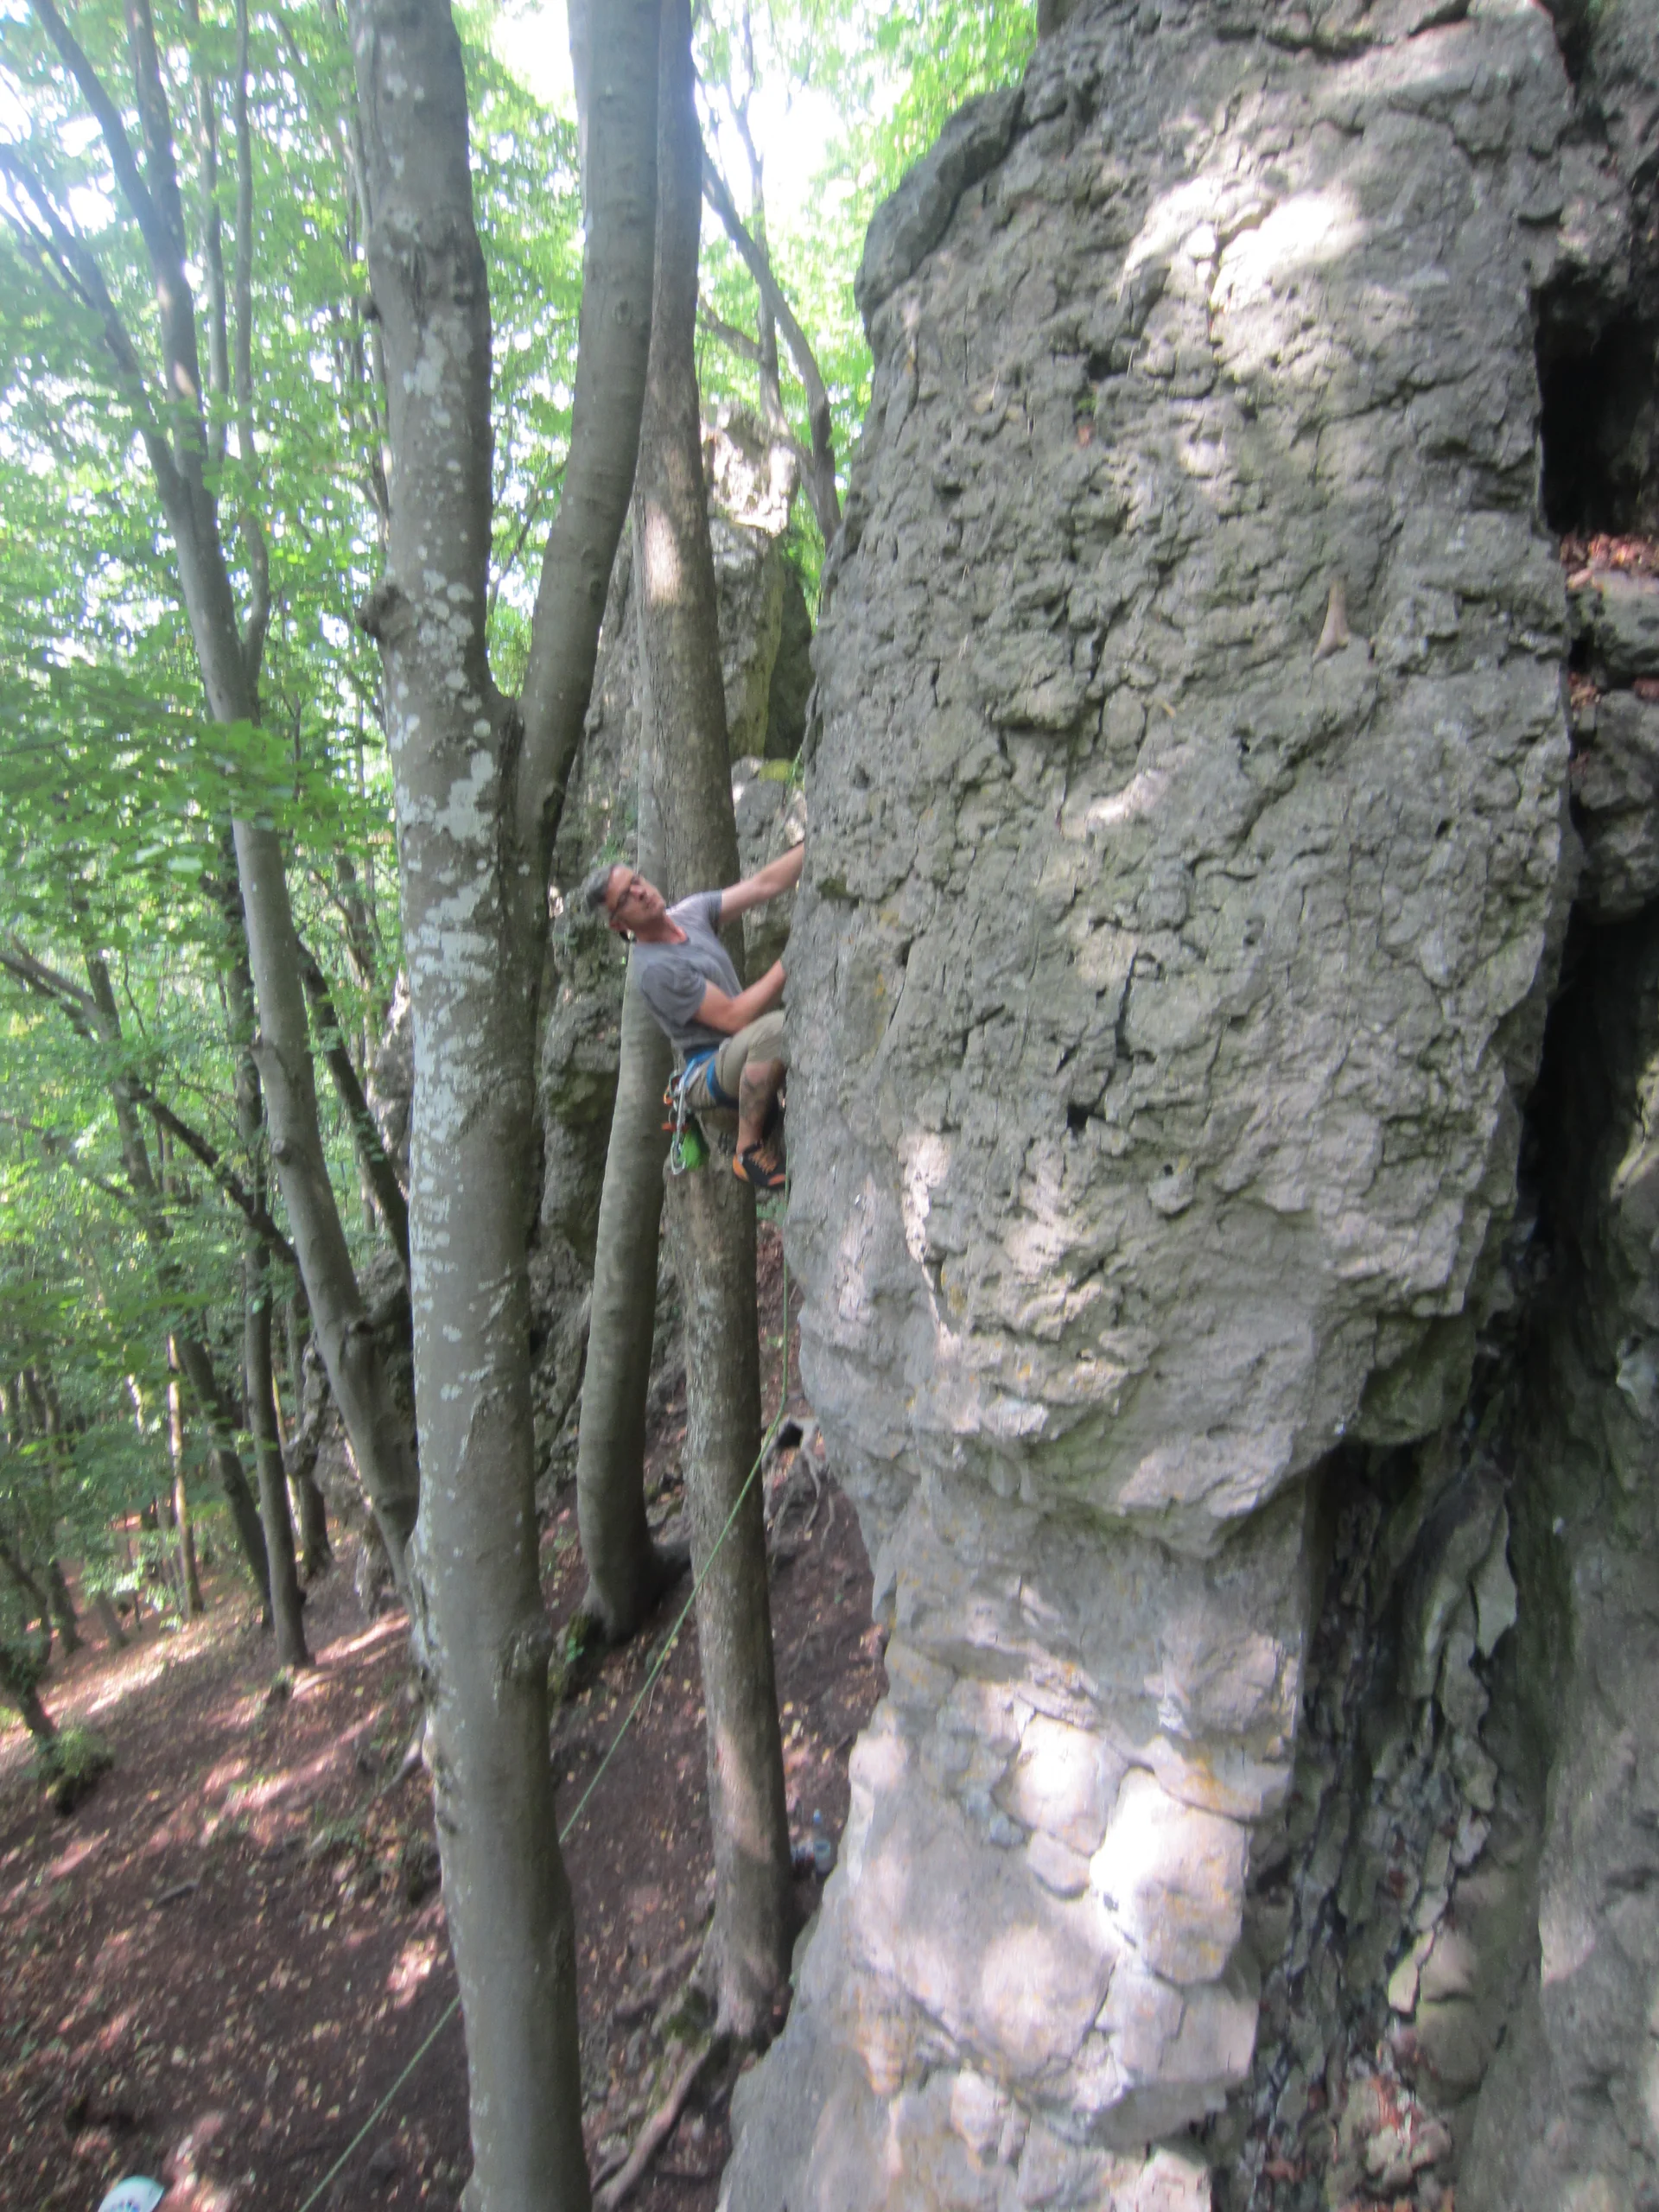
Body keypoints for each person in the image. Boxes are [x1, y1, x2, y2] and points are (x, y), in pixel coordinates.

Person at [584, 843, 804, 1191]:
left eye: (637, 881)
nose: (641, 893)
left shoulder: (690, 912)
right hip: (710, 1072)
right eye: (625, 898)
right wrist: (796, 954)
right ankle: (747, 1150)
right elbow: (735, 1017)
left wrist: (815, 844)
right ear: (617, 922)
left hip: (742, 1054)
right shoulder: (654, 969)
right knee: (777, 1029)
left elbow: (764, 884)